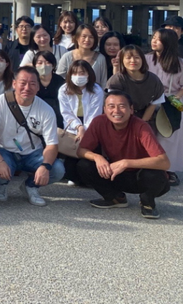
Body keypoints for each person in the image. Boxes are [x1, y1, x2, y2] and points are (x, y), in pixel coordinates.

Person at [76, 90, 171, 219]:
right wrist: (98, 157)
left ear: (131, 109)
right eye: (111, 106)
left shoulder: (141, 127)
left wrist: (126, 163)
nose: (116, 111)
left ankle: (147, 202)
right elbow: (81, 150)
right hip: (115, 173)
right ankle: (115, 198)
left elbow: (164, 162)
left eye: (122, 106)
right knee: (84, 165)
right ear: (105, 109)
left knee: (156, 175)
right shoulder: (99, 122)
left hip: (140, 176)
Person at [0, 67, 65, 206]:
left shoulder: (46, 109)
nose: (27, 88)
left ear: (38, 87)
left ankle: (30, 186)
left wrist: (45, 166)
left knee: (57, 170)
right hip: (5, 150)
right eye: (23, 83)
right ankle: (2, 185)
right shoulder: (0, 102)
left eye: (32, 83)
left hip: (33, 153)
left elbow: (52, 144)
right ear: (14, 84)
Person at [146, 28, 183, 185]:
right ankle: (151, 167)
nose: (154, 41)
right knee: (150, 135)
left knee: (169, 137)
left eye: (158, 39)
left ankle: (169, 169)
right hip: (149, 100)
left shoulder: (179, 64)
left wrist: (177, 98)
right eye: (153, 37)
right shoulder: (146, 59)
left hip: (170, 102)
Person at [58, 60, 104, 183]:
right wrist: (79, 127)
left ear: (89, 74)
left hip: (91, 125)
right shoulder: (63, 89)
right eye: (75, 73)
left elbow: (95, 113)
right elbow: (66, 112)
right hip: (73, 125)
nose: (78, 76)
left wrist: (85, 130)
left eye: (82, 73)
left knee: (88, 155)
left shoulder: (97, 90)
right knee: (71, 159)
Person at [106, 46, 164, 125]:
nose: (133, 61)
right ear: (122, 60)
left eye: (137, 57)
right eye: (128, 58)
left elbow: (154, 103)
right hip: (121, 119)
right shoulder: (116, 80)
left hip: (146, 120)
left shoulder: (153, 80)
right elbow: (116, 105)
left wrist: (141, 124)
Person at [33, 51, 65, 129]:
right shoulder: (32, 81)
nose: (43, 65)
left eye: (47, 62)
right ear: (34, 65)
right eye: (40, 63)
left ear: (53, 65)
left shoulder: (60, 81)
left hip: (57, 119)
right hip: (35, 118)